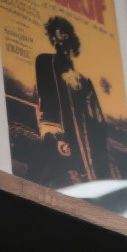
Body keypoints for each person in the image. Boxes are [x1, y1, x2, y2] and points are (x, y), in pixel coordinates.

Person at [34, 16, 113, 186]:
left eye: (63, 36)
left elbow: (96, 120)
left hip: (86, 149)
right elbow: (45, 102)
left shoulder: (84, 80)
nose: (59, 41)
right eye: (54, 37)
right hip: (61, 142)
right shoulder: (46, 62)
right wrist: (56, 138)